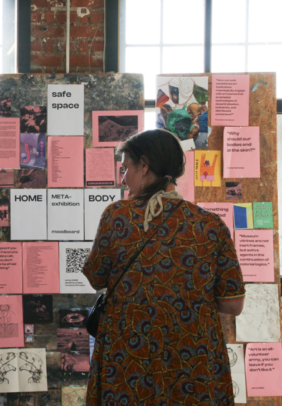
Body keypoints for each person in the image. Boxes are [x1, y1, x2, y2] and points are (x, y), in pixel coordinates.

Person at [82, 129, 245, 405]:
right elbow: (233, 304)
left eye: (125, 169)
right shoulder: (209, 225)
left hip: (128, 359)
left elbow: (96, 278)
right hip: (193, 362)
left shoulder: (117, 217)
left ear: (144, 166)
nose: (123, 179)